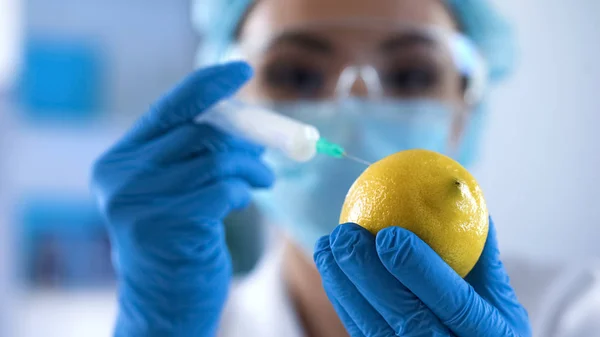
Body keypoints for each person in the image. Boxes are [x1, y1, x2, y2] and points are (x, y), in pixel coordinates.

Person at [91, 0, 600, 336]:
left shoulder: (573, 314)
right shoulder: (195, 326)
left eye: (410, 74)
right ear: (239, 109)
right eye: (296, 74)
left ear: (464, 113)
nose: (352, 115)